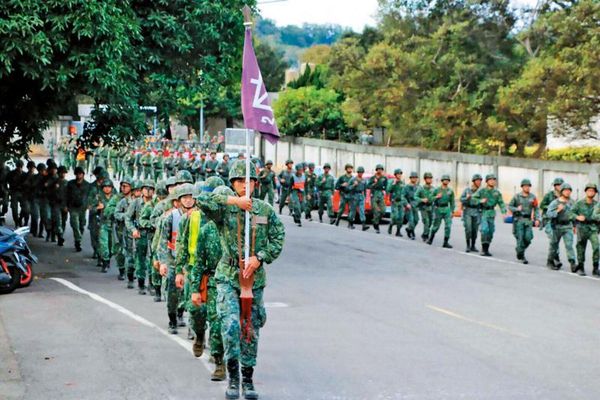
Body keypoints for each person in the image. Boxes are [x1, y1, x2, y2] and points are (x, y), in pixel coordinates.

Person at [195, 159, 285, 400]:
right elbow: (200, 199)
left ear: (256, 184)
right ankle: (233, 378)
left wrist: (260, 257)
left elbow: (278, 237)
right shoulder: (225, 208)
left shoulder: (264, 210)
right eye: (240, 181)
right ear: (233, 184)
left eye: (250, 181)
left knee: (250, 329)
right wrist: (233, 201)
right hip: (228, 276)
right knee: (231, 324)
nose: (245, 185)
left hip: (253, 277)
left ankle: (248, 378)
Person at [472, 174, 506, 256]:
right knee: (484, 230)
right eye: (490, 180)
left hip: (492, 213)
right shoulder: (482, 191)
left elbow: (501, 203)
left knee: (490, 232)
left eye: (494, 180)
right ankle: (484, 249)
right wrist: (480, 201)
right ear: (487, 181)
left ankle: (486, 249)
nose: (492, 181)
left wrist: (504, 212)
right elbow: (473, 198)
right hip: (483, 212)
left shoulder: (497, 193)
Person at [546, 183, 577, 272]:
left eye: (569, 190)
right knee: (554, 245)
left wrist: (575, 225)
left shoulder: (572, 202)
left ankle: (573, 263)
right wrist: (558, 210)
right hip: (556, 226)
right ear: (562, 191)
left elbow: (574, 214)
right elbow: (548, 214)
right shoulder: (555, 202)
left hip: (567, 226)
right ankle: (550, 261)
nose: (567, 192)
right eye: (565, 190)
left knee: (569, 245)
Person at [508, 179, 539, 264]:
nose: (527, 187)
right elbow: (510, 206)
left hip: (528, 220)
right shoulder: (517, 196)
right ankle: (522, 256)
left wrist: (537, 219)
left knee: (528, 238)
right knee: (520, 238)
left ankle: (519, 250)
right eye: (525, 186)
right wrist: (516, 209)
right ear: (522, 187)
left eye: (528, 186)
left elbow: (536, 209)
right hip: (519, 220)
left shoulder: (533, 197)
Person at [573, 183, 600, 276]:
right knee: (581, 248)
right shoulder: (579, 203)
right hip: (582, 228)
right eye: (589, 190)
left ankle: (596, 268)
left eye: (593, 191)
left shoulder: (597, 204)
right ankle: (581, 267)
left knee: (597, 247)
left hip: (593, 228)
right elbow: (570, 213)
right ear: (586, 191)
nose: (591, 192)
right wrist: (577, 217)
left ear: (595, 193)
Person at [94, 179, 119, 273]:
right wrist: (97, 208)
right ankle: (104, 262)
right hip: (103, 223)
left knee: (112, 246)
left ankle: (107, 258)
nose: (107, 189)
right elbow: (90, 207)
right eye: (105, 187)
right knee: (103, 244)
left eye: (109, 187)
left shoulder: (116, 198)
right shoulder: (98, 197)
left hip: (113, 224)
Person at [66, 167, 90, 252]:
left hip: (82, 208)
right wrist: (66, 205)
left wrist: (89, 204)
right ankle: (78, 240)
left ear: (83, 174)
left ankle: (78, 239)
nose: (79, 175)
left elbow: (90, 196)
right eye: (77, 174)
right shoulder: (70, 184)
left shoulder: (87, 185)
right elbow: (66, 195)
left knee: (81, 225)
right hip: (73, 207)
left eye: (80, 173)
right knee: (74, 224)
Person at [427, 175, 455, 248]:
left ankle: (445, 242)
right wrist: (436, 197)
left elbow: (452, 202)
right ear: (442, 181)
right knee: (436, 226)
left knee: (448, 226)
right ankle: (430, 238)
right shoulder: (436, 190)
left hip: (447, 209)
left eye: (447, 180)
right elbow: (429, 199)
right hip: (438, 209)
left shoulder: (450, 191)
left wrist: (452, 211)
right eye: (444, 180)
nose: (446, 181)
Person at [460, 174, 483, 252]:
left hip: (477, 211)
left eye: (480, 181)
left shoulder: (481, 191)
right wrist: (467, 198)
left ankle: (473, 245)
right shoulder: (467, 190)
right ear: (474, 181)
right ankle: (468, 245)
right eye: (477, 180)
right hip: (468, 211)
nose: (479, 182)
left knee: (475, 230)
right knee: (468, 229)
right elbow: (461, 199)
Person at [50, 166, 68, 247]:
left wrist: (67, 205)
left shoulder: (67, 183)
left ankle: (60, 236)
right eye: (61, 173)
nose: (63, 174)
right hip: (56, 204)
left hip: (64, 205)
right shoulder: (54, 182)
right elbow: (49, 193)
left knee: (63, 222)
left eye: (64, 173)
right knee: (58, 221)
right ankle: (60, 236)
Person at [348, 166, 370, 231]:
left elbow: (365, 189)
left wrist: (365, 196)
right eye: (359, 172)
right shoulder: (353, 179)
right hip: (354, 195)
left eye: (362, 172)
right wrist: (354, 185)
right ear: (357, 172)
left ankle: (363, 225)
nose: (361, 173)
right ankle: (350, 223)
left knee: (362, 210)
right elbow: (348, 188)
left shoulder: (364, 180)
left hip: (361, 196)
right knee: (353, 210)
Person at [415, 172, 434, 242]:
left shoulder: (433, 189)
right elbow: (415, 197)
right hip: (423, 207)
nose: (429, 180)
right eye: (428, 178)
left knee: (431, 222)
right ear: (425, 179)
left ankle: (424, 233)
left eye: (430, 178)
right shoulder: (421, 188)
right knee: (426, 221)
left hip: (431, 207)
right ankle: (426, 235)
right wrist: (422, 199)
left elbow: (435, 197)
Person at [368, 164, 387, 234]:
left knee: (383, 210)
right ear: (376, 170)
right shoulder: (372, 178)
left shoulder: (384, 178)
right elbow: (368, 185)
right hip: (374, 195)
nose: (380, 170)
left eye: (381, 169)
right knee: (376, 211)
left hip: (380, 195)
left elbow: (386, 186)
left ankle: (374, 221)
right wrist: (374, 183)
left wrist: (384, 190)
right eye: (378, 169)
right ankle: (376, 226)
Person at [387, 169, 406, 236]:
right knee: (395, 217)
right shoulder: (392, 181)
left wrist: (405, 203)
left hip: (401, 202)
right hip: (394, 202)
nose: (399, 175)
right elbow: (388, 190)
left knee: (401, 217)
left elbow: (404, 193)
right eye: (398, 174)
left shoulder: (402, 183)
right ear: (395, 175)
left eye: (400, 174)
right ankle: (391, 225)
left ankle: (398, 231)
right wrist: (393, 184)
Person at [7, 160, 26, 226]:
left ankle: (20, 219)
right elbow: (8, 182)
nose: (19, 168)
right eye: (18, 166)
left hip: (22, 193)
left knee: (25, 208)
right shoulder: (11, 174)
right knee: (14, 209)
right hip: (14, 192)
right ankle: (16, 221)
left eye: (20, 166)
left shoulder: (24, 174)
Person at [403, 172, 420, 239]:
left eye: (415, 178)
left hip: (415, 206)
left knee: (416, 220)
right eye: (413, 177)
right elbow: (403, 196)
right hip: (408, 206)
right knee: (411, 220)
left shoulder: (418, 187)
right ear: (410, 178)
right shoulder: (406, 187)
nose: (414, 179)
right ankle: (412, 232)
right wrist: (406, 204)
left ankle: (409, 229)